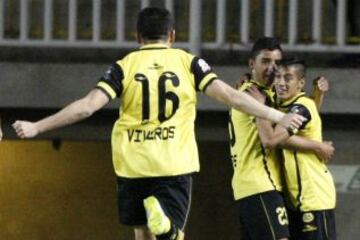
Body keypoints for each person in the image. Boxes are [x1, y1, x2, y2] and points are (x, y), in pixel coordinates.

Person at [12, 8, 304, 240]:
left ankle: (161, 227)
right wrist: (279, 116)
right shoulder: (189, 63)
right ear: (172, 35)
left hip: (132, 164)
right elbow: (230, 96)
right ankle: (168, 231)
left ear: (137, 36)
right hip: (172, 165)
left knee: (141, 232)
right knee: (169, 233)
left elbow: (86, 107)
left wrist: (37, 127)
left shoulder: (123, 66)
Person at [228, 37, 334, 240]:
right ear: (252, 64)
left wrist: (317, 96)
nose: (272, 68)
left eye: (276, 62)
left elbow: (296, 120)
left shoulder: (268, 95)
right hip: (260, 184)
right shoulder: (253, 95)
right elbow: (271, 139)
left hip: (258, 186)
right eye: (265, 61)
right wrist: (317, 146)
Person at [253, 57, 337, 240]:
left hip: (314, 198)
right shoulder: (286, 106)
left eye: (288, 78)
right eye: (278, 77)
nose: (281, 83)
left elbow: (273, 139)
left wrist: (258, 108)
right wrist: (317, 145)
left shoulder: (300, 107)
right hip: (297, 201)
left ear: (300, 83)